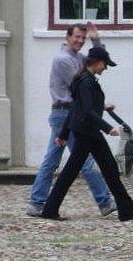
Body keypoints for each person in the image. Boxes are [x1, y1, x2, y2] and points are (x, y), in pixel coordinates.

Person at [26, 22, 116, 217]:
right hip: (66, 113)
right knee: (84, 160)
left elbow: (98, 60)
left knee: (53, 159)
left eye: (83, 38)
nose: (80, 41)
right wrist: (99, 106)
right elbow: (79, 88)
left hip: (68, 113)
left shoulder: (78, 57)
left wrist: (96, 39)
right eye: (77, 37)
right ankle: (105, 202)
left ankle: (37, 202)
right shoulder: (63, 60)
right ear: (67, 37)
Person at [40, 47, 133, 222]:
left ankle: (127, 210)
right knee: (105, 169)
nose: (105, 68)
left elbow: (76, 110)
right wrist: (108, 128)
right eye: (105, 65)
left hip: (86, 131)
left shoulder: (84, 80)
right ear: (97, 62)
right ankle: (127, 210)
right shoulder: (86, 82)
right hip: (88, 132)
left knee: (99, 169)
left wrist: (63, 134)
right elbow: (85, 111)